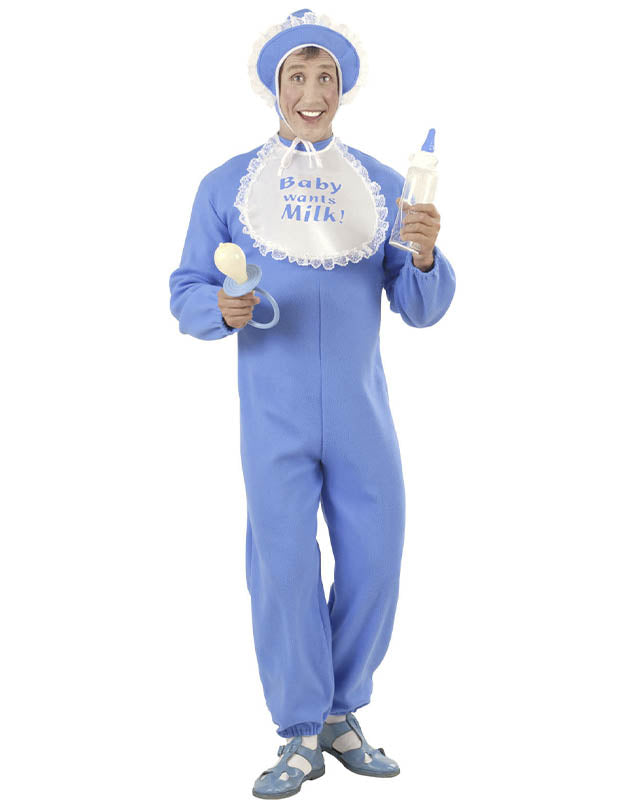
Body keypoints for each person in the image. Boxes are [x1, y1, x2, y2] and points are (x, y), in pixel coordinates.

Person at [169, 9, 456, 798]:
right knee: (284, 565)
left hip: (364, 412)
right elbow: (189, 286)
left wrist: (424, 254)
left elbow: (422, 307)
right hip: (275, 412)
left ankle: (340, 710)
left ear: (342, 87)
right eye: (296, 76)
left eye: (324, 76)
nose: (311, 92)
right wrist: (217, 308)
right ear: (274, 86)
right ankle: (299, 727)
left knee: (377, 557)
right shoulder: (227, 185)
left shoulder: (385, 185)